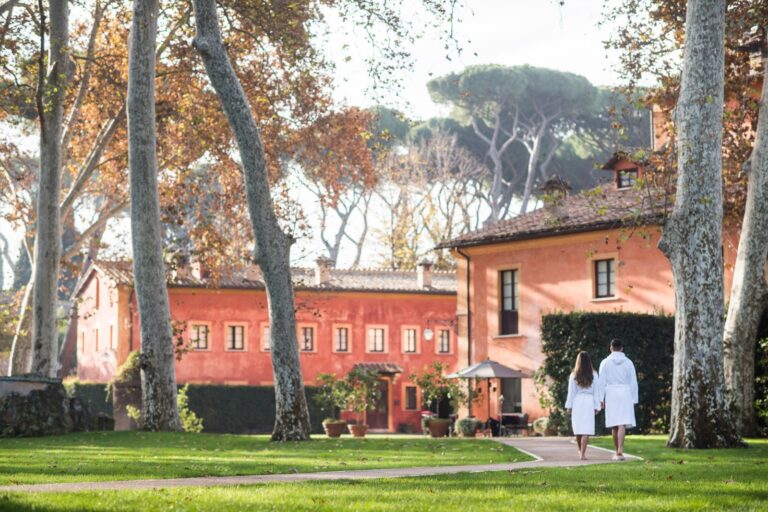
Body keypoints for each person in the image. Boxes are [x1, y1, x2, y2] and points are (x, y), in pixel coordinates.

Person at [599, 339, 638, 461]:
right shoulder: (629, 363)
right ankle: (620, 450)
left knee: (614, 424)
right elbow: (633, 382)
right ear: (622, 348)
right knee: (622, 423)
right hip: (625, 393)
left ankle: (617, 451)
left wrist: (600, 398)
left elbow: (601, 382)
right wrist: (634, 398)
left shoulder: (605, 362)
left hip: (611, 393)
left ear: (611, 348)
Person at [565, 351, 601, 460]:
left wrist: (569, 406)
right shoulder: (594, 374)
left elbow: (571, 392)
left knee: (578, 428)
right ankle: (582, 454)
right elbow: (596, 392)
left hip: (577, 402)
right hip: (589, 402)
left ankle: (580, 451)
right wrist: (597, 406)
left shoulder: (573, 375)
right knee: (586, 429)